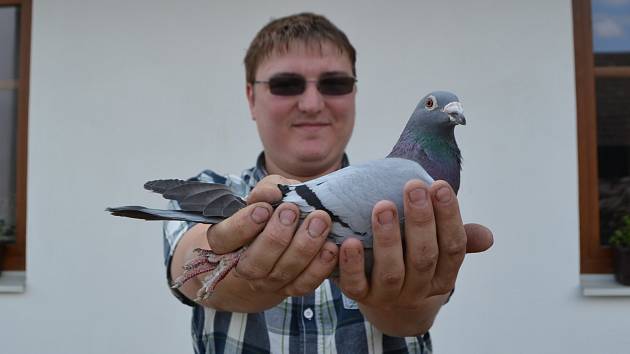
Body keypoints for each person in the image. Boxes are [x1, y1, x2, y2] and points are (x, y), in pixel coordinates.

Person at [164, 12, 493, 353]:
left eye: (334, 84)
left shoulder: (411, 195)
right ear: (251, 98)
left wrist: (405, 303)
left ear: (354, 93)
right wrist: (231, 257)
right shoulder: (211, 184)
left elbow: (417, 315)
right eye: (286, 85)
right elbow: (191, 261)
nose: (311, 104)